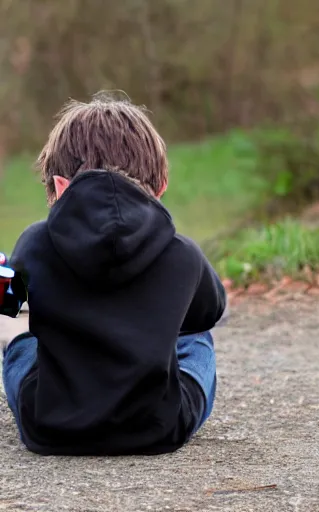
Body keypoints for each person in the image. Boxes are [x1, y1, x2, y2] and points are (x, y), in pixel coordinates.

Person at [1, 92, 226, 455]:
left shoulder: (35, 242)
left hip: (48, 426)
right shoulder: (182, 253)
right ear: (159, 190)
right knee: (196, 337)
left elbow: (8, 305)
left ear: (60, 187)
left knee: (18, 331)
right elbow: (208, 312)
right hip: (160, 428)